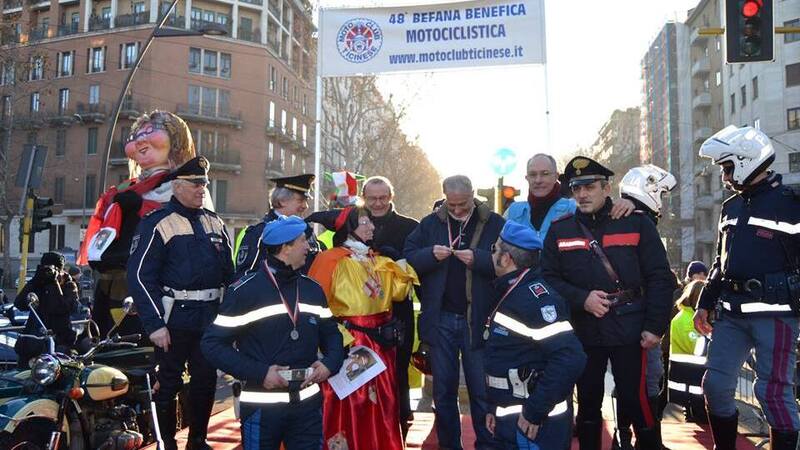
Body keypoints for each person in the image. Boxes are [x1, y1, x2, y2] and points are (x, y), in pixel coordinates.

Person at [541, 156, 674, 450]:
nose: (582, 194)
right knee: (587, 403)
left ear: (606, 187)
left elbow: (660, 278)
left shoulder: (636, 222)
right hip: (583, 329)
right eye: (576, 188)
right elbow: (548, 278)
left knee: (635, 400)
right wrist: (581, 299)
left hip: (630, 328)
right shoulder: (560, 229)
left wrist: (655, 327)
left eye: (589, 187)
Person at [693, 125, 800, 450]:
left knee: (772, 393)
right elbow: (718, 264)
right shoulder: (731, 207)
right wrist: (703, 302)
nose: (725, 177)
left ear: (745, 160)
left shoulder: (791, 203)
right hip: (732, 314)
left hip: (777, 315)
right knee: (715, 385)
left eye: (727, 167)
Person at [202, 215, 344, 449]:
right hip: (262, 408)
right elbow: (212, 345)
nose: (309, 247)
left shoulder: (312, 290)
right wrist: (260, 372)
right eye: (302, 241)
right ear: (285, 248)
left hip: (307, 407)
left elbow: (332, 335)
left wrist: (329, 364)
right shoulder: (245, 292)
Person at [127, 156, 234, 450]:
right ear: (177, 186)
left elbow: (229, 275)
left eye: (205, 184)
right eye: (196, 183)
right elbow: (139, 276)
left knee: (205, 381)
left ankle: (198, 440)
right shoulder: (157, 222)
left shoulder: (215, 221)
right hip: (173, 319)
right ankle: (167, 444)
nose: (202, 189)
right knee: (168, 384)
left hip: (209, 318)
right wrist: (155, 324)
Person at [404, 175, 505, 450]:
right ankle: (450, 445)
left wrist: (481, 260)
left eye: (463, 204)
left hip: (479, 319)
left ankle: (487, 444)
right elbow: (409, 256)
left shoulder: (494, 222)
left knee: (482, 392)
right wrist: (429, 255)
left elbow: (509, 260)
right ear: (444, 197)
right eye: (452, 205)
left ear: (474, 195)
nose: (458, 210)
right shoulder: (430, 223)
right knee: (443, 392)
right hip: (441, 320)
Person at [307, 206, 418, 450]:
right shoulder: (329, 260)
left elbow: (400, 292)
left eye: (370, 222)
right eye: (364, 222)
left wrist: (397, 260)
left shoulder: (376, 259)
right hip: (349, 342)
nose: (371, 227)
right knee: (349, 403)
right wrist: (334, 342)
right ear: (349, 229)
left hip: (380, 344)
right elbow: (314, 306)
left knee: (381, 403)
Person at [79, 110, 199, 337]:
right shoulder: (124, 189)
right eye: (138, 134)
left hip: (151, 295)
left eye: (151, 131)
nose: (141, 139)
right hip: (113, 288)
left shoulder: (182, 185)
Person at [484, 221, 586, 449]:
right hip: (512, 420)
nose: (491, 254)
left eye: (494, 248)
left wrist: (535, 412)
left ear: (506, 258)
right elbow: (506, 356)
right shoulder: (512, 292)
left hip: (536, 426)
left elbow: (570, 358)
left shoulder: (536, 300)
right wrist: (493, 407)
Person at [615, 163, 678, 449]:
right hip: (638, 319)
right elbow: (658, 279)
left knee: (630, 381)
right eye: (660, 194)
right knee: (647, 381)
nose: (661, 201)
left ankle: (627, 438)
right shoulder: (641, 224)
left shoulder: (619, 219)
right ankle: (646, 440)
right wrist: (654, 325)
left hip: (620, 319)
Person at [361, 176, 420, 436]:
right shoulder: (353, 224)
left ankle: (399, 421)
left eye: (382, 197)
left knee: (398, 369)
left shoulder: (410, 227)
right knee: (362, 371)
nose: (377, 203)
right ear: (364, 197)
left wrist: (398, 261)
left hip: (398, 312)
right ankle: (364, 424)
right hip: (362, 313)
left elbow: (419, 272)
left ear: (391, 197)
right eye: (372, 198)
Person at [504, 153, 635, 239]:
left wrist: (628, 203)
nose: (538, 180)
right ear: (526, 178)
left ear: (556, 176)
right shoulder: (512, 212)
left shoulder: (575, 208)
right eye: (533, 174)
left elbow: (603, 210)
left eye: (545, 173)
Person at [233, 174, 321, 278]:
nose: (305, 206)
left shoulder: (307, 231)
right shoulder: (260, 232)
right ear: (282, 201)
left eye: (306, 201)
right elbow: (244, 277)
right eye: (300, 200)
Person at [14, 252, 80, 368]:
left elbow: (62, 308)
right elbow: (19, 304)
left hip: (59, 340)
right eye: (45, 268)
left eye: (53, 269)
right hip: (34, 341)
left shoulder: (69, 285)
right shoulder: (38, 283)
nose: (48, 272)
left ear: (61, 269)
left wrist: (54, 283)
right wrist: (35, 281)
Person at [668, 280, 708, 424]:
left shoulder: (681, 316)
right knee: (698, 412)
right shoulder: (690, 321)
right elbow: (697, 349)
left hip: (683, 370)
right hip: (694, 370)